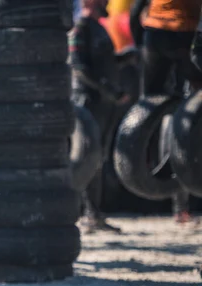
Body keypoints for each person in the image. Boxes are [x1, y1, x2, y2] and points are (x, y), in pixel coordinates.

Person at [131, 0, 202, 225]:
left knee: (150, 102)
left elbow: (135, 12)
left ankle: (147, 161)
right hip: (184, 36)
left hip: (153, 35)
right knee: (189, 101)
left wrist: (137, 45)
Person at [69, 0, 130, 234]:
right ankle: (85, 215)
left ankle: (94, 215)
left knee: (98, 159)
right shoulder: (81, 28)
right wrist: (109, 90)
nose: (108, 3)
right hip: (86, 103)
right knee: (88, 158)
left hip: (102, 104)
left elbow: (100, 63)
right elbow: (79, 68)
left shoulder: (98, 27)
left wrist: (123, 60)